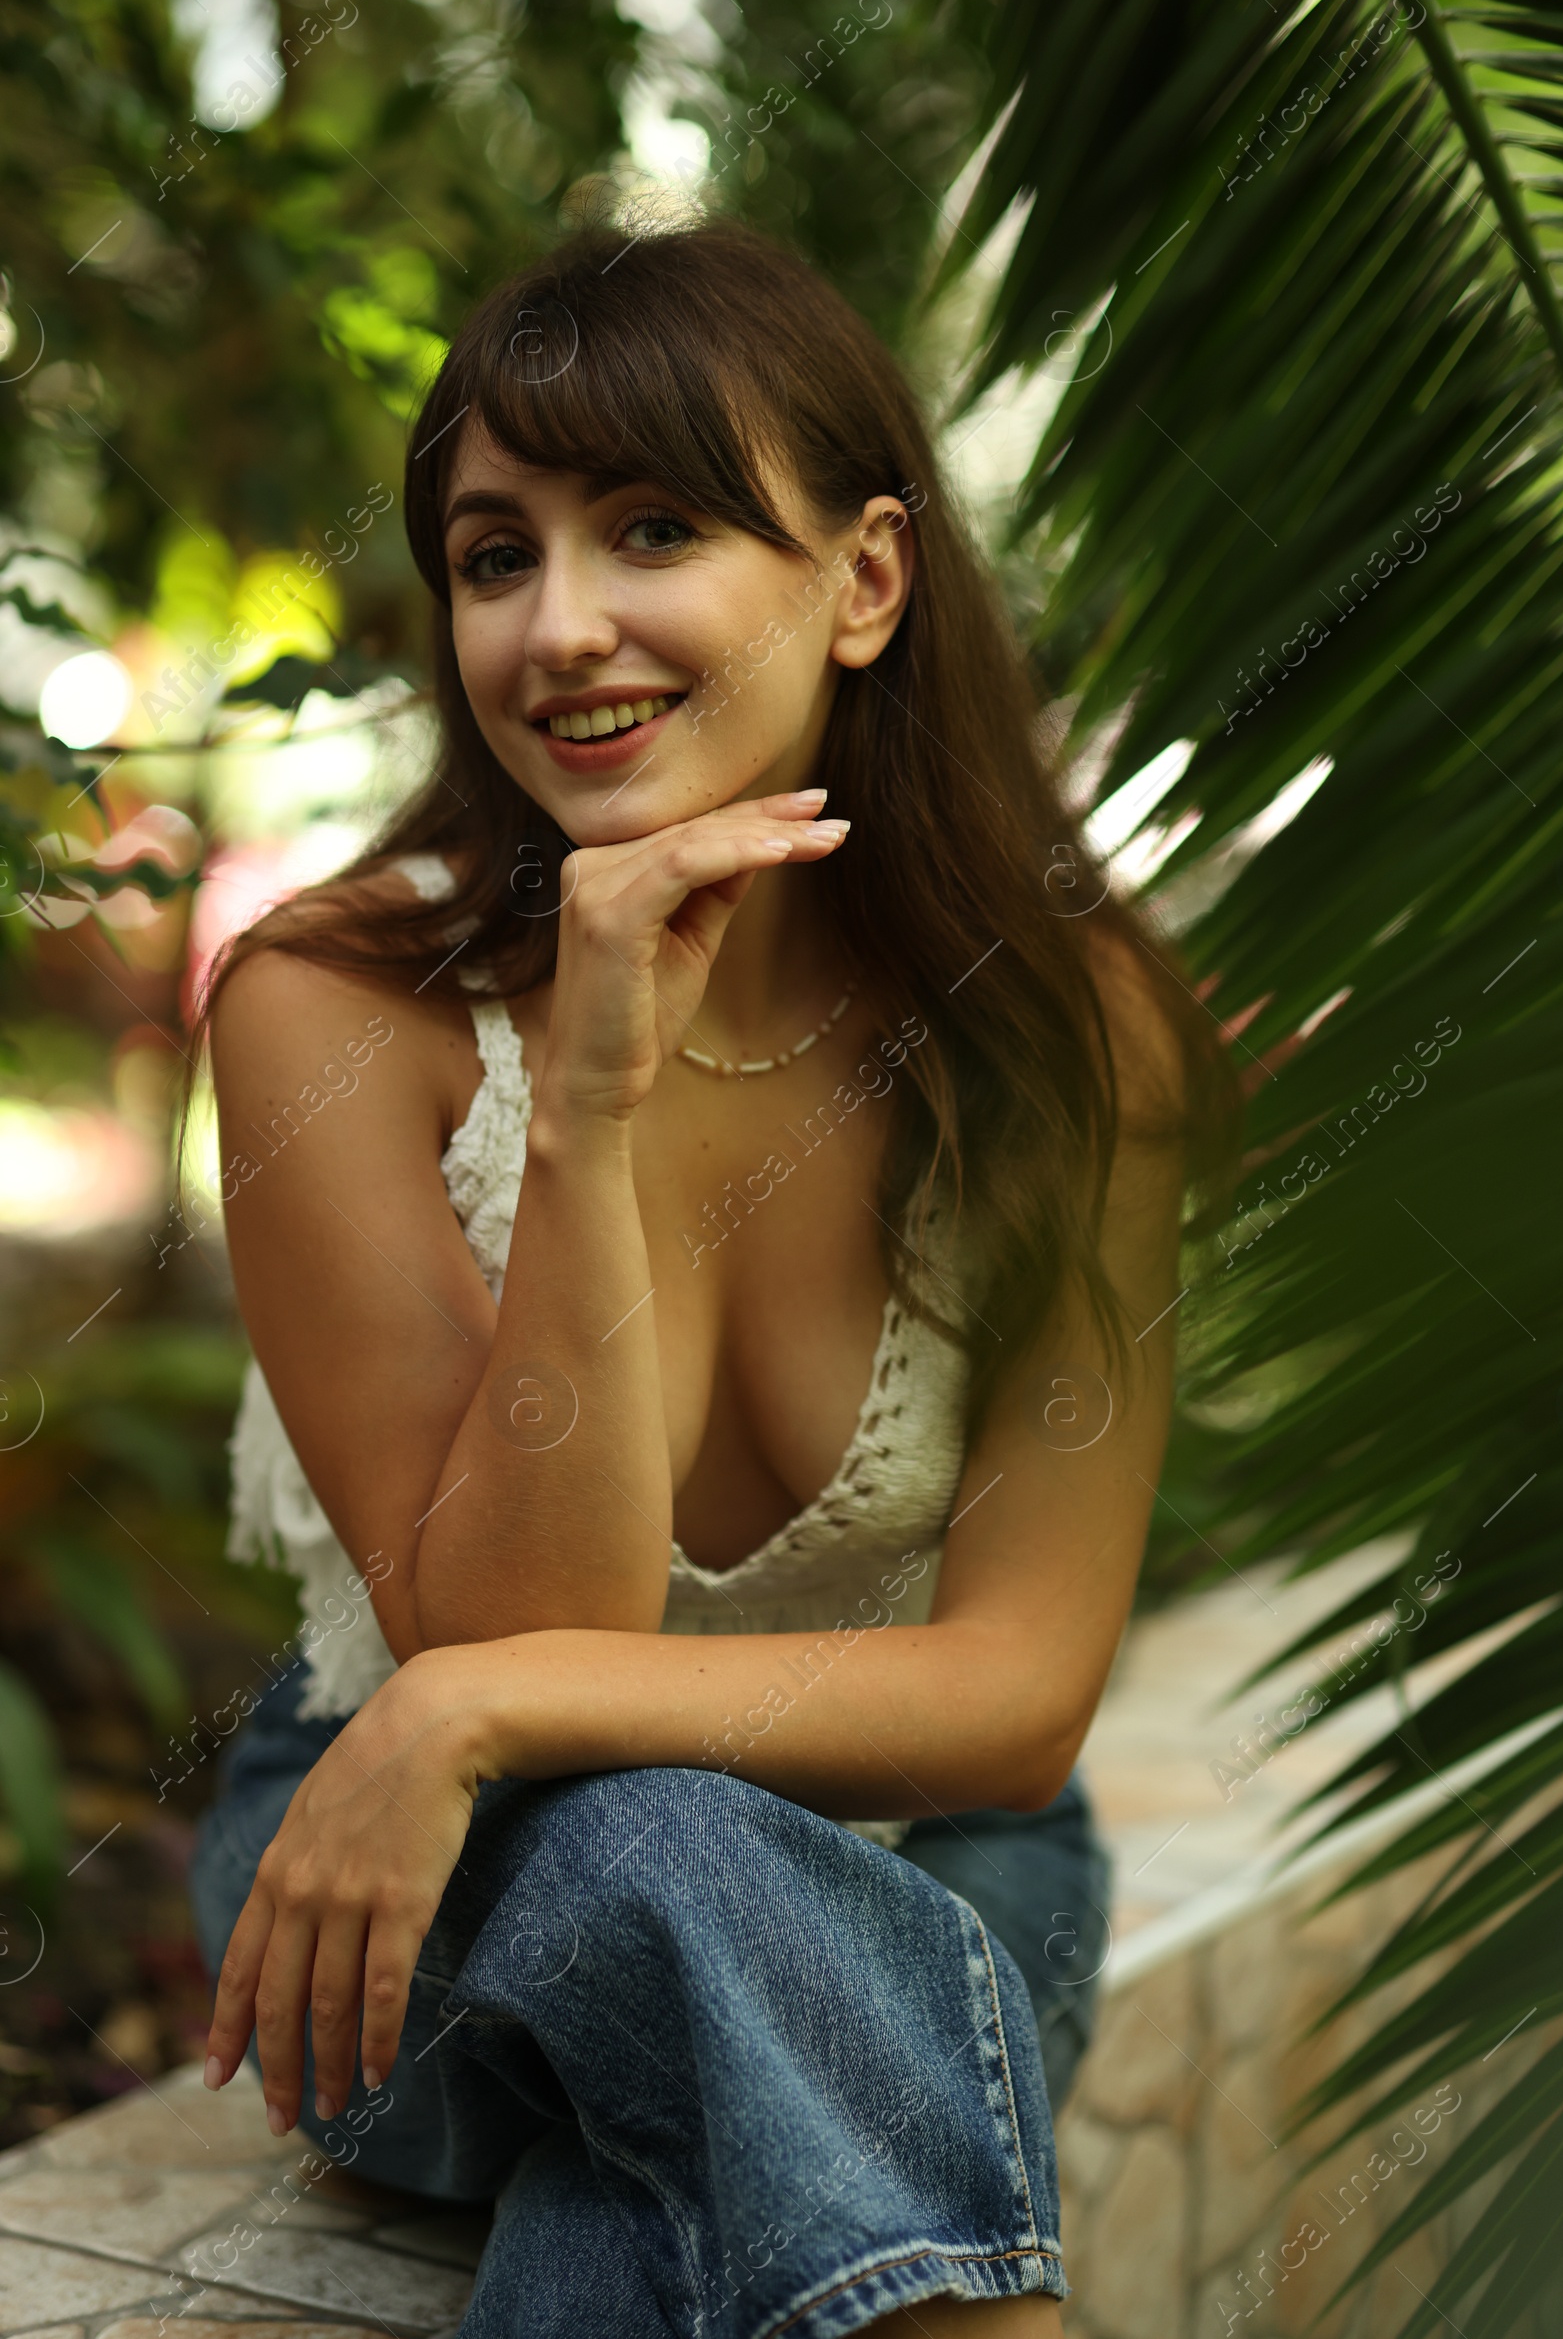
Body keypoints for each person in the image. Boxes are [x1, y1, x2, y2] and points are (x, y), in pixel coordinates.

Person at [188, 218, 1236, 2337]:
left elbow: (1019, 1702)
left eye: (649, 529)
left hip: (935, 1862)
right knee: (653, 1856)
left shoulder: (1063, 1027)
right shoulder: (329, 1012)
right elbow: (496, 1616)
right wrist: (587, 1109)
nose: (559, 629)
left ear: (862, 581)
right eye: (496, 556)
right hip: (420, 1896)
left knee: (659, 2189)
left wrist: (469, 1711)